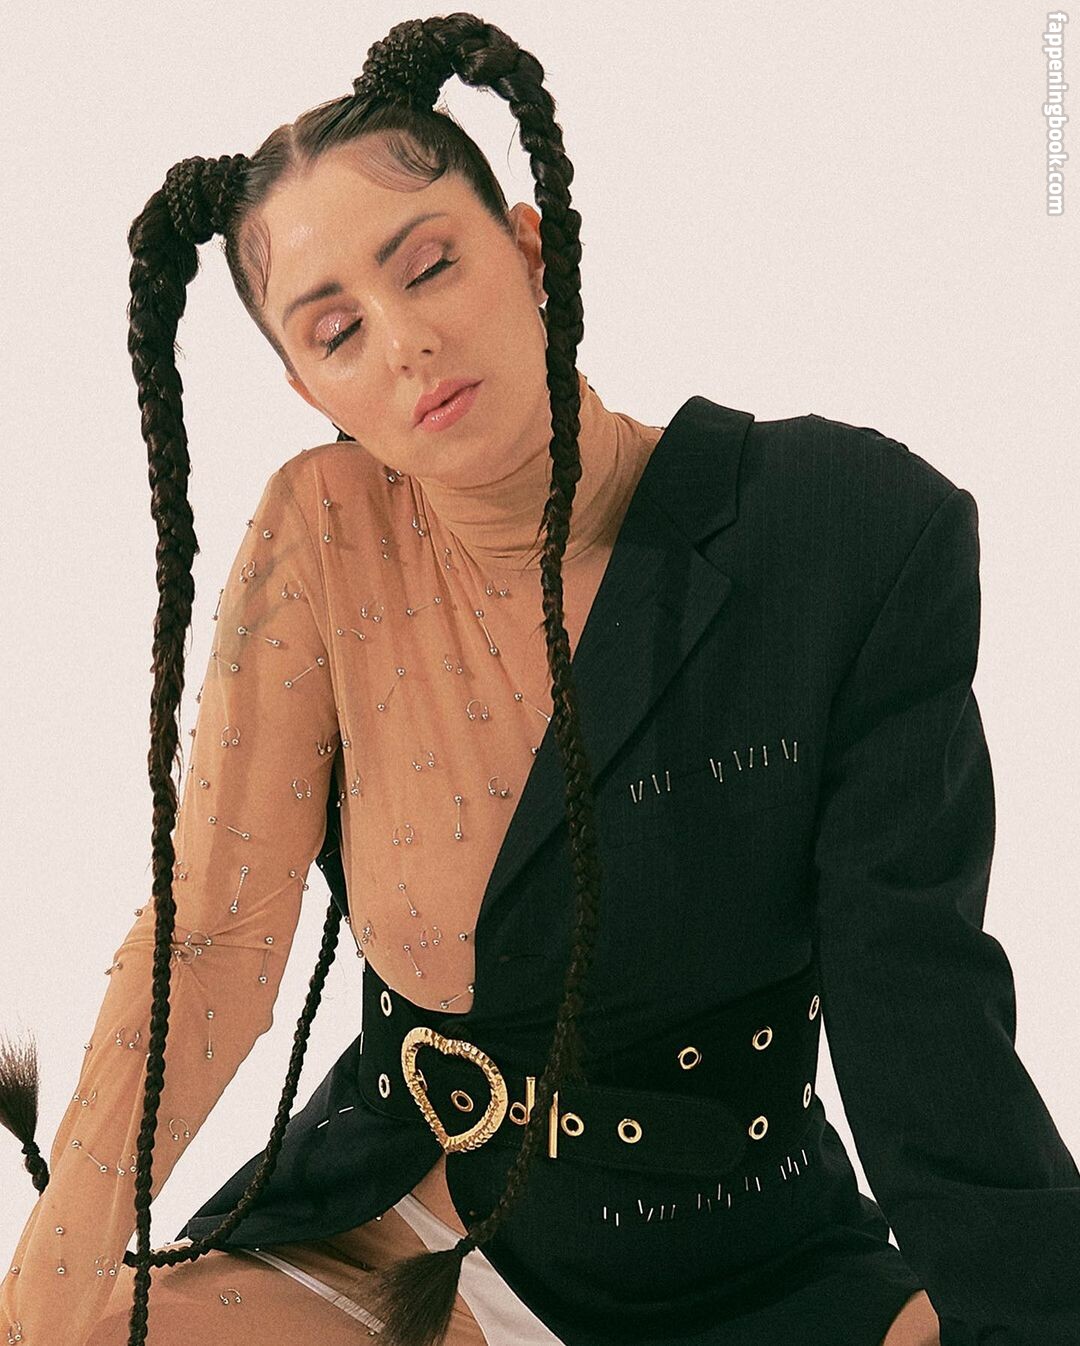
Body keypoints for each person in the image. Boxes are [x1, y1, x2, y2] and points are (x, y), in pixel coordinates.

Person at [2, 12, 1078, 1346]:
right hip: (396, 1233)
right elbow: (214, 942)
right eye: (336, 331)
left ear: (525, 247)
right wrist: (40, 1305)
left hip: (748, 1267)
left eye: (429, 266)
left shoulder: (843, 528)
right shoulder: (323, 533)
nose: (404, 340)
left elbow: (920, 1008)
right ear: (307, 388)